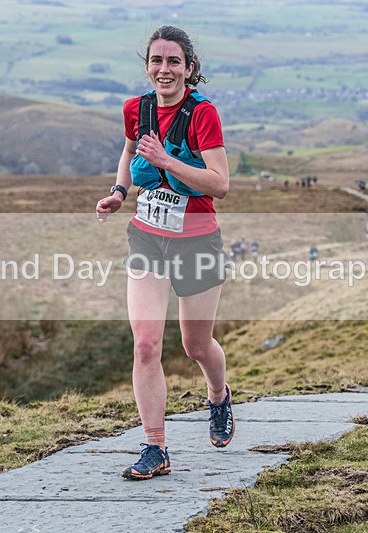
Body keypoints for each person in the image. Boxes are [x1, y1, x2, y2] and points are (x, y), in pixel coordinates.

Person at [95, 26, 235, 481]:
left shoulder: (202, 114)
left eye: (174, 61)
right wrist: (119, 191)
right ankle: (155, 448)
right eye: (156, 60)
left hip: (197, 241)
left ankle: (218, 396)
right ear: (147, 66)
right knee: (146, 343)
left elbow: (220, 184)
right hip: (147, 239)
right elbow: (129, 151)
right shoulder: (136, 109)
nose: (164, 69)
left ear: (189, 68)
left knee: (196, 345)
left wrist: (168, 161)